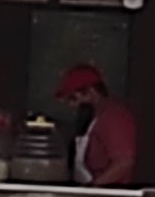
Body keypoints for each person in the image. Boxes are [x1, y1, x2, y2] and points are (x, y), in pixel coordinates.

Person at [56, 60, 141, 189]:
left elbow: (124, 162)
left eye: (74, 98)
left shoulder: (115, 116)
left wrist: (93, 188)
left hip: (108, 196)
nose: (72, 105)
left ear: (91, 92)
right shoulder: (95, 117)